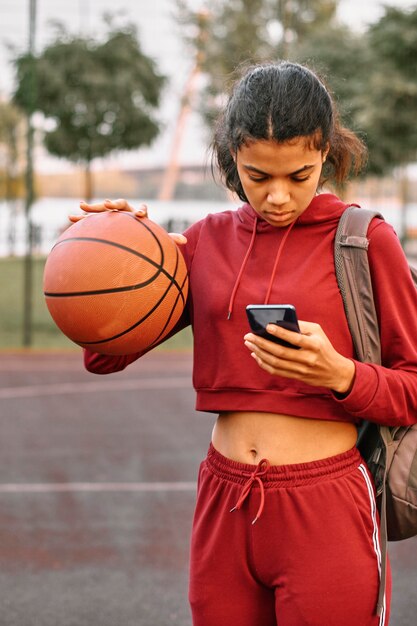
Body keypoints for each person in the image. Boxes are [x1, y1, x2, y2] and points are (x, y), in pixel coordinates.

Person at [73, 61, 417, 626]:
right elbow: (102, 354)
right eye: (258, 177)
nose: (278, 197)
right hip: (225, 502)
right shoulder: (205, 242)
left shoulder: (364, 240)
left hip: (325, 502)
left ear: (325, 153)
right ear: (232, 156)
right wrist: (108, 245)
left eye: (299, 175)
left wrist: (341, 375)